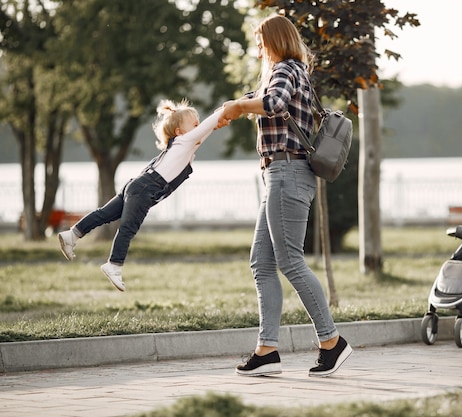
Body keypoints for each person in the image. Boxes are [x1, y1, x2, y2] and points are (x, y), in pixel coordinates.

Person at [216, 15, 352, 378]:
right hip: (281, 174)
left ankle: (331, 342)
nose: (258, 48)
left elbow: (273, 103)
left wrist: (240, 107)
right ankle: (267, 350)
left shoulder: (284, 69)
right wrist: (233, 106)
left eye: (261, 41)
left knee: (290, 261)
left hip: (287, 173)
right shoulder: (294, 70)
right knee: (261, 263)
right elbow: (265, 99)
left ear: (275, 40)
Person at [58, 99, 223, 292]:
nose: (198, 125)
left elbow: (204, 132)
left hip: (137, 184)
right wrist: (224, 112)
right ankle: (114, 264)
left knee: (104, 214)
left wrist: (221, 117)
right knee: (128, 228)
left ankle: (72, 234)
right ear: (180, 131)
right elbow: (204, 130)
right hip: (145, 189)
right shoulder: (184, 142)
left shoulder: (181, 145)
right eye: (194, 123)